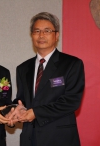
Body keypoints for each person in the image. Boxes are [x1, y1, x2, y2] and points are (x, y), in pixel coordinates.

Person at [10, 12, 85, 146]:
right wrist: (16, 109)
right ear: (32, 36)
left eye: (47, 31)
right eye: (37, 31)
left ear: (56, 35)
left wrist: (36, 112)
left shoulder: (72, 64)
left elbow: (71, 101)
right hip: (29, 138)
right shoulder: (22, 68)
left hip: (59, 138)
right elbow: (22, 99)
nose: (41, 35)